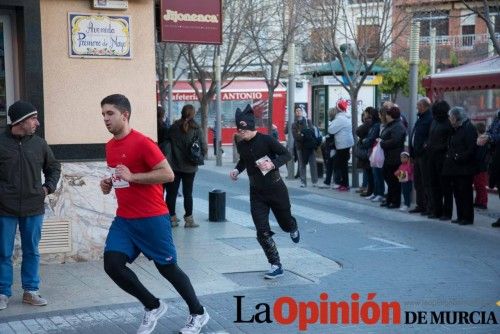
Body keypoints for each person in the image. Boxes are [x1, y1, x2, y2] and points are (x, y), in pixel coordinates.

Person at [99, 94, 209, 334]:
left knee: (168, 269)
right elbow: (122, 176)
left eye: (110, 113)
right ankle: (153, 305)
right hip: (125, 220)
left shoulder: (143, 143)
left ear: (124, 115)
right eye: (103, 114)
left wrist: (133, 177)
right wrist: (109, 182)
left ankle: (198, 313)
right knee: (112, 264)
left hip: (152, 218)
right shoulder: (109, 146)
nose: (105, 119)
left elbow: (168, 174)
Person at [0, 101, 61, 310]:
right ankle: (2, 292)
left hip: (33, 207)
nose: (37, 122)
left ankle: (30, 291)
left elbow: (53, 167)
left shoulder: (39, 144)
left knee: (32, 250)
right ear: (20, 121)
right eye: (33, 118)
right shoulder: (0, 142)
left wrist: (47, 188)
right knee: (3, 251)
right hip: (3, 208)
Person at [230, 104, 300, 279]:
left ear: (252, 127)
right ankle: (275, 265)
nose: (241, 133)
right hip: (256, 192)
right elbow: (244, 161)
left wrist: (273, 164)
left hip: (276, 189)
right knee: (261, 231)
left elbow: (287, 155)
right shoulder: (241, 144)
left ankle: (292, 226)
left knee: (284, 224)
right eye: (239, 130)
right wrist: (237, 170)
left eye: (244, 130)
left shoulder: (267, 140)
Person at [165, 104, 207, 228]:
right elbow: (204, 147)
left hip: (174, 166)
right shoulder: (196, 128)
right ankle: (189, 220)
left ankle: (171, 218)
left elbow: (166, 143)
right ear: (193, 114)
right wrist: (199, 158)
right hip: (190, 167)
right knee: (188, 194)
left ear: (182, 113)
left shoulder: (173, 127)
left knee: (171, 193)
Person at [442, 106, 477, 225]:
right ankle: (460, 215)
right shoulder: (456, 129)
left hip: (465, 168)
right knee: (457, 193)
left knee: (465, 193)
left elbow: (471, 148)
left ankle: (467, 217)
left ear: (457, 118)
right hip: (455, 167)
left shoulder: (468, 128)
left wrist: (459, 157)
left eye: (451, 118)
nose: (450, 120)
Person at [426, 100, 453, 220]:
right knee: (433, 185)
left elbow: (449, 143)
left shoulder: (448, 123)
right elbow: (430, 136)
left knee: (445, 186)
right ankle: (436, 210)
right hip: (432, 157)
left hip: (442, 158)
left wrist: (436, 147)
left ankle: (446, 212)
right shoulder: (434, 121)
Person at [409, 97, 433, 215]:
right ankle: (420, 204)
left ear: (425, 106)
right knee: (418, 181)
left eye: (419, 106)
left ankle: (429, 206)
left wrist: (424, 146)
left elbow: (430, 136)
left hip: (424, 155)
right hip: (416, 155)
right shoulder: (421, 118)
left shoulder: (429, 118)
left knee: (426, 182)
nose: (417, 108)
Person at [379, 105, 407, 209]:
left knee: (395, 180)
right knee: (389, 178)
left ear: (391, 116)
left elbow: (395, 141)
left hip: (395, 157)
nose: (385, 116)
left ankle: (395, 201)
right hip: (389, 156)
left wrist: (383, 143)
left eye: (387, 114)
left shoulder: (398, 126)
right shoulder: (391, 125)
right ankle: (390, 199)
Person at [477, 109, 500, 227]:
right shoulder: (497, 117)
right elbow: (491, 130)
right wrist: (486, 135)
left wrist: (489, 138)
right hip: (496, 157)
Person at [327, 99, 354, 191]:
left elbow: (330, 130)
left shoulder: (340, 119)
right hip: (346, 144)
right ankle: (343, 183)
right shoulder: (346, 116)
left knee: (341, 165)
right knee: (342, 164)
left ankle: (344, 184)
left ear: (338, 109)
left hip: (342, 144)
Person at [292, 107, 318, 187]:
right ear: (295, 113)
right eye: (297, 111)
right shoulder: (294, 124)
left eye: (300, 110)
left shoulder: (308, 121)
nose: (298, 112)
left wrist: (302, 134)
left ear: (303, 112)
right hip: (300, 147)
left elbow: (312, 132)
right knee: (302, 164)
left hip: (309, 146)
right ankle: (303, 182)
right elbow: (296, 136)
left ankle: (315, 182)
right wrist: (303, 134)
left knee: (312, 164)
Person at [472, 122, 489, 210]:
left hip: (480, 167)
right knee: (478, 185)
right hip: (479, 166)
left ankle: (483, 202)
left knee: (481, 185)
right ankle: (478, 201)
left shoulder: (482, 140)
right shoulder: (480, 139)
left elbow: (480, 155)